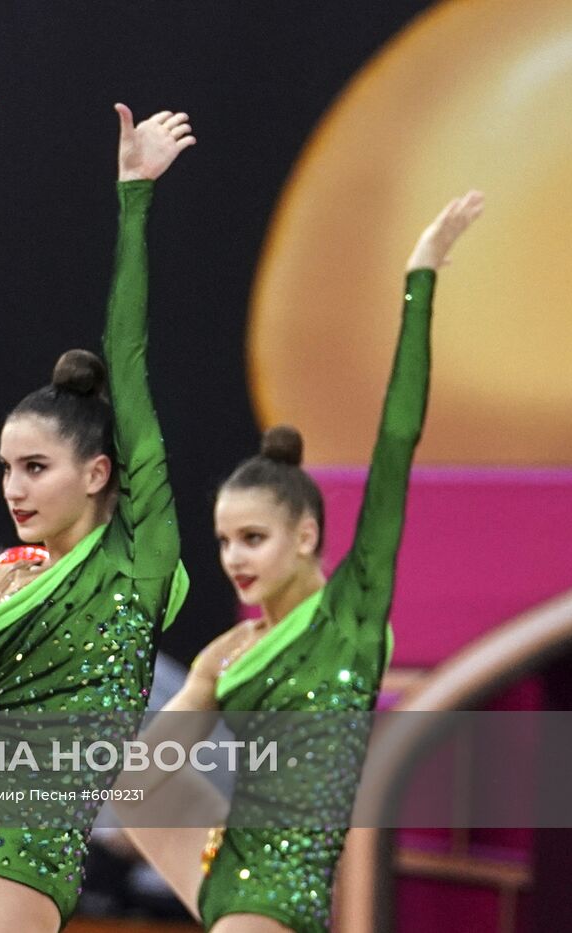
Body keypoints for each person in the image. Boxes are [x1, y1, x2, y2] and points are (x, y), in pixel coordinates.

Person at [127, 191, 485, 932]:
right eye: (225, 541)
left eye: (252, 539)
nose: (232, 559)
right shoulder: (233, 653)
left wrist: (421, 278)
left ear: (307, 537)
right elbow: (140, 783)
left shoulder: (350, 609)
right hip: (229, 880)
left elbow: (396, 439)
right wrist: (199, 682)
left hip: (286, 895)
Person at [0, 104, 194, 932]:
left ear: (101, 471)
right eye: (5, 468)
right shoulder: (4, 580)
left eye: (35, 467)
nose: (11, 487)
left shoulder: (138, 563)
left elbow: (129, 356)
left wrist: (134, 197)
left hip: (49, 849)